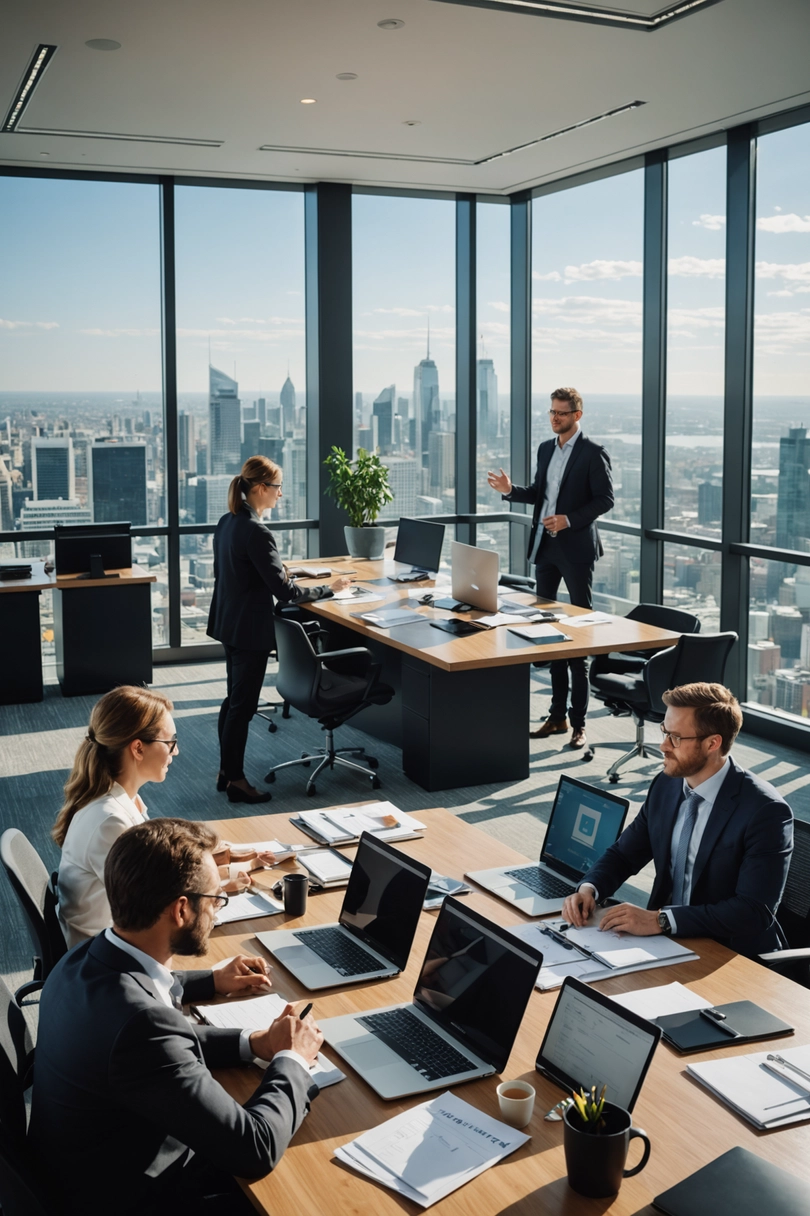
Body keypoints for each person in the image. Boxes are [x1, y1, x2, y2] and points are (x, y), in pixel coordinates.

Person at [31, 817, 323, 1216]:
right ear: (182, 909)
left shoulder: (83, 958)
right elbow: (255, 1149)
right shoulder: (142, 1027)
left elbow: (158, 1041)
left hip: (80, 1171)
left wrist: (253, 1042)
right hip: (137, 1197)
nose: (217, 911)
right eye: (215, 899)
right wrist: (293, 1059)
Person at [561, 683, 794, 959]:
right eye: (664, 732)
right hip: (663, 941)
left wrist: (661, 920)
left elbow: (752, 911)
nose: (663, 746)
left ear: (712, 743)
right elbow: (625, 853)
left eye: (675, 738)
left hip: (729, 951)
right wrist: (590, 889)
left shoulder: (765, 811)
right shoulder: (666, 784)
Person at [54, 687, 270, 948]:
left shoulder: (123, 800)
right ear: (138, 748)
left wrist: (231, 871)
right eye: (170, 743)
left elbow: (158, 881)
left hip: (115, 945)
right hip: (107, 958)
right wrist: (216, 894)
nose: (175, 752)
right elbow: (156, 911)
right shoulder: (110, 822)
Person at [207, 454, 353, 804]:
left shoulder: (228, 521)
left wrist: (277, 571)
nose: (280, 494)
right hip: (248, 631)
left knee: (233, 701)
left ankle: (226, 771)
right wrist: (329, 589)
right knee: (242, 706)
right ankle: (236, 781)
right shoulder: (257, 531)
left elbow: (235, 571)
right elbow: (285, 593)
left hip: (228, 621)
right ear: (260, 488)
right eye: (277, 487)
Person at [487, 387, 613, 750]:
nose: (555, 418)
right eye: (552, 412)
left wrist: (569, 519)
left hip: (575, 551)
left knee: (578, 637)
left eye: (562, 413)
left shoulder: (593, 452)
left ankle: (579, 723)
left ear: (577, 415)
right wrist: (511, 490)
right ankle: (557, 716)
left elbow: (605, 499)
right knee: (548, 632)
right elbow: (539, 493)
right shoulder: (545, 449)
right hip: (545, 547)